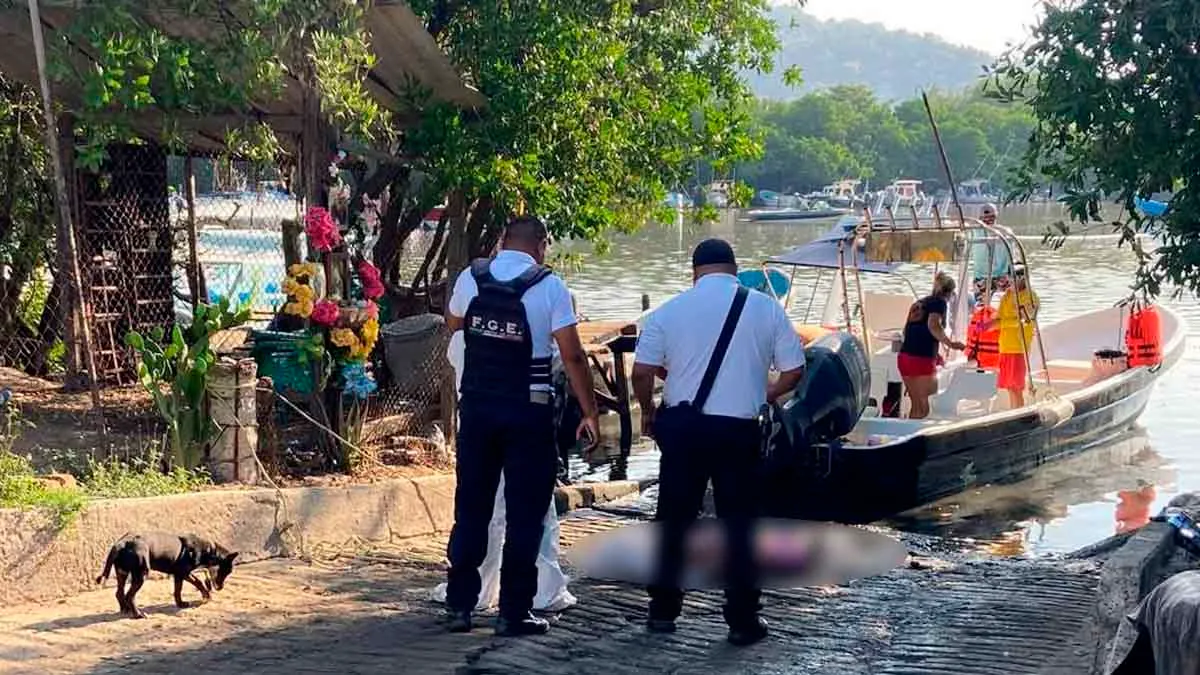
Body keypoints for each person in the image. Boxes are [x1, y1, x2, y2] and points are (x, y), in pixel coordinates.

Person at [631, 238, 807, 647]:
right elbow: (795, 370)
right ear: (733, 268)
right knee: (740, 524)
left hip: (684, 429)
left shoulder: (669, 311)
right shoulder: (765, 308)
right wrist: (764, 393)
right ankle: (742, 620)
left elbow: (641, 372)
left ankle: (662, 610)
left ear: (695, 272)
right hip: (738, 430)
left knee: (673, 519)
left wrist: (648, 411)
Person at [443, 215, 599, 637]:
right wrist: (589, 411)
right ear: (542, 245)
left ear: (501, 240)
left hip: (476, 409)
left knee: (471, 507)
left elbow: (455, 326)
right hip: (527, 413)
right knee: (526, 515)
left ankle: (460, 605)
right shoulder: (549, 287)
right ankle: (514, 613)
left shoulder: (470, 277)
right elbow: (572, 356)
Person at [432, 328, 578, 614]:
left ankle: (475, 591)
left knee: (480, 513)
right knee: (534, 514)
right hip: (525, 428)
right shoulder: (536, 335)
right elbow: (563, 362)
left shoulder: (462, 340)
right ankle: (540, 591)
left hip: (477, 430)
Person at [897, 272, 966, 419]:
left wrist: (936, 353)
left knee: (916, 405)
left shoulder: (920, 303)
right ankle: (918, 438)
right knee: (925, 405)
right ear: (949, 293)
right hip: (921, 359)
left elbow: (906, 331)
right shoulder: (939, 303)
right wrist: (951, 344)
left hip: (904, 357)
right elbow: (933, 326)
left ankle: (909, 434)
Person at [995, 264, 1039, 409]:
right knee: (1009, 387)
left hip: (1018, 348)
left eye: (1013, 278)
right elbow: (999, 319)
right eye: (1009, 278)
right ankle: (1013, 412)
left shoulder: (1030, 297)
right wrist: (984, 326)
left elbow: (1025, 320)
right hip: (1005, 347)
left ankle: (1018, 414)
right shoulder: (1007, 296)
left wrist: (1001, 322)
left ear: (1022, 278)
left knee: (1016, 387)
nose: (1010, 282)